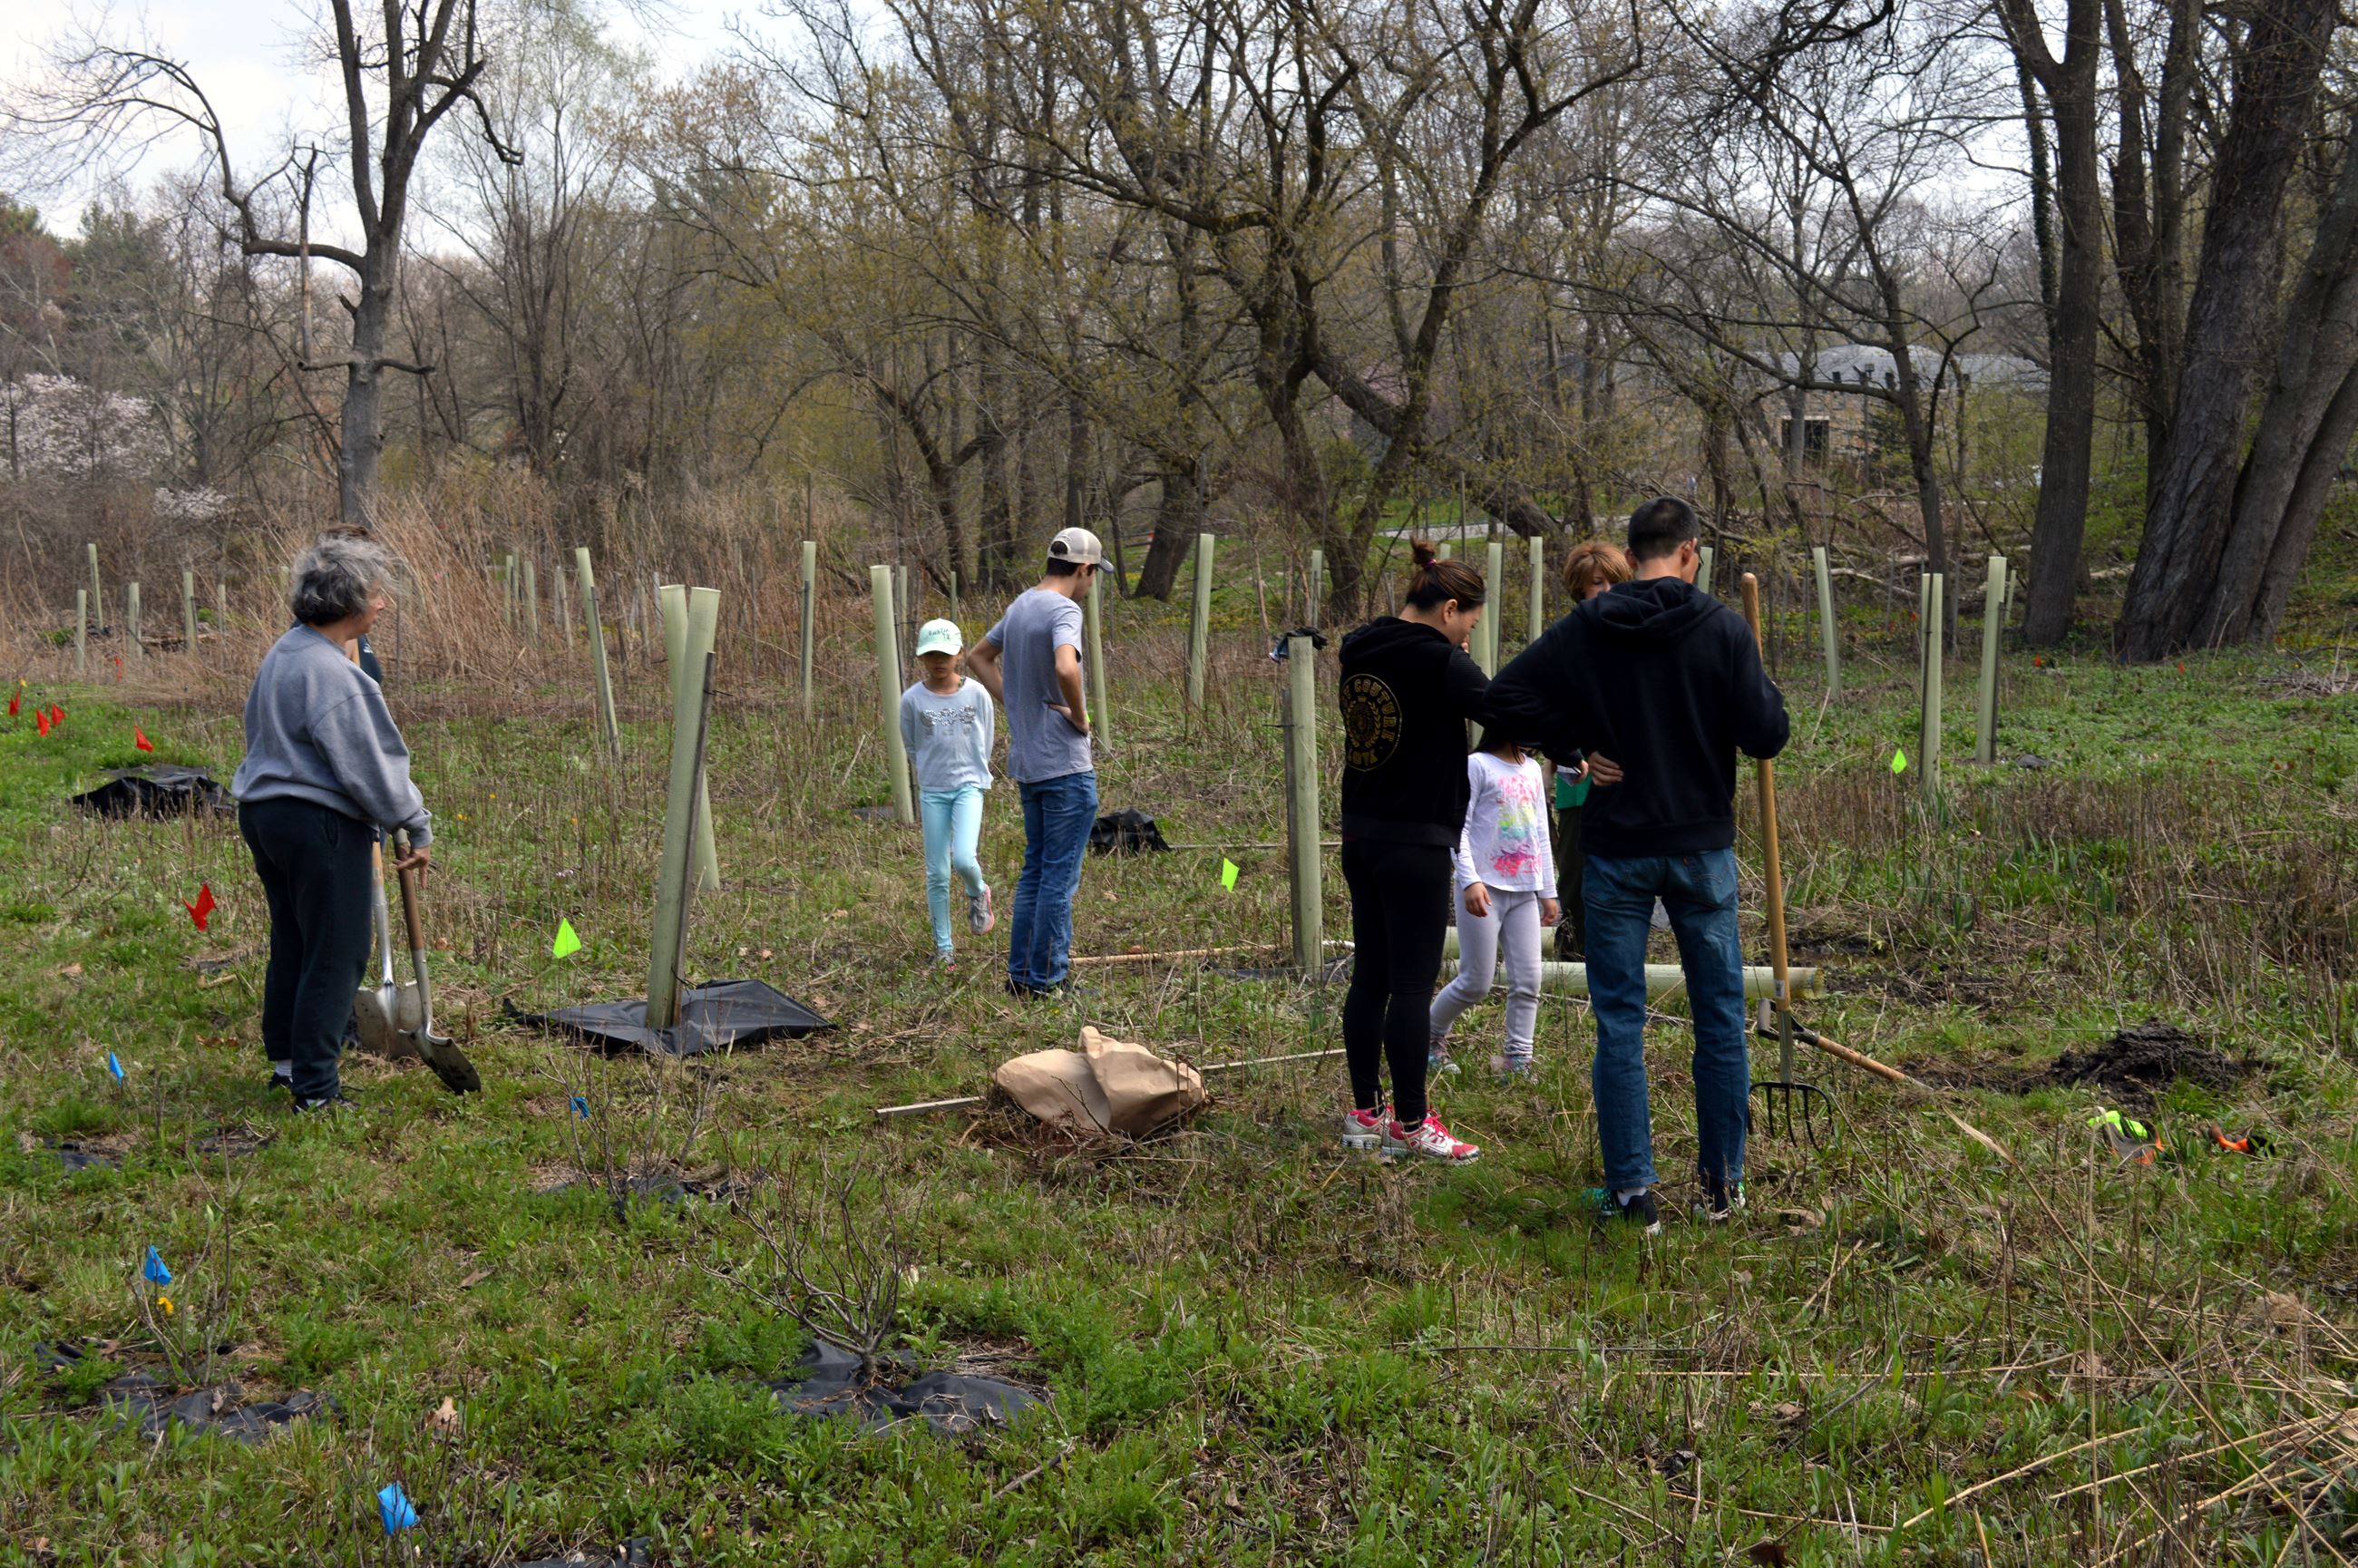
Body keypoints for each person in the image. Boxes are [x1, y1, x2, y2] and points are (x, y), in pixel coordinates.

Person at [1487, 497, 1789, 1231]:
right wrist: (1750, 680)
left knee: (1619, 1020)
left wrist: (1572, 744)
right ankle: (1723, 1188)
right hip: (1700, 850)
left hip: (1617, 852)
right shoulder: (1721, 627)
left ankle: (1634, 1194)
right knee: (1719, 1016)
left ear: (1635, 554)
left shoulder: (1589, 627)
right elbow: (1767, 736)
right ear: (1688, 553)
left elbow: (1502, 695)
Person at [229, 535, 434, 1112]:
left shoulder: (286, 652)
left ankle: (289, 1066)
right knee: (339, 953)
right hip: (316, 823)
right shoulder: (334, 675)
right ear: (349, 604)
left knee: (295, 941)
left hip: (266, 816)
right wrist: (413, 822)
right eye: (377, 594)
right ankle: (317, 1091)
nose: (384, 604)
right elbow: (370, 765)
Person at [1335, 541, 1492, 1163]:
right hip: (1417, 841)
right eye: (1469, 624)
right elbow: (1504, 712)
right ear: (1450, 607)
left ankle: (1363, 1113)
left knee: (1370, 976)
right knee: (1411, 985)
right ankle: (1410, 1120)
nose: (1467, 636)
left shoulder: (1360, 646)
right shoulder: (1441, 662)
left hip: (1361, 833)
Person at [966, 528, 1101, 998]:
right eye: (1092, 577)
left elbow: (978, 658)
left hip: (1028, 763)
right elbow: (1067, 667)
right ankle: (1047, 981)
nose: (1090, 586)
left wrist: (1017, 701)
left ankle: (1022, 978)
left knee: (1036, 872)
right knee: (1059, 878)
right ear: (1082, 569)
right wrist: (1081, 717)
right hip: (1065, 765)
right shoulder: (1065, 609)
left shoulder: (1021, 604)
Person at [1427, 732, 1559, 1083]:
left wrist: (1548, 889)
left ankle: (1518, 1059)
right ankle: (1427, 1036)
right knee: (1476, 981)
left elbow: (1540, 831)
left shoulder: (1532, 769)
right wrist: (1469, 880)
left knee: (1530, 980)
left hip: (1525, 892)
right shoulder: (1477, 766)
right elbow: (1460, 827)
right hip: (1484, 890)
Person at [900, 618, 997, 969]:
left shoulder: (976, 694)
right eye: (931, 655)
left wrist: (974, 771)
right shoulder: (912, 699)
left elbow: (986, 736)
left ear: (959, 653)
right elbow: (911, 743)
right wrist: (930, 772)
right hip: (933, 791)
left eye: (945, 654)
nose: (939, 661)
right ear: (922, 658)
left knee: (963, 859)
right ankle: (944, 948)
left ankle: (977, 891)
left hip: (969, 786)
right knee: (937, 873)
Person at [1551, 541, 1632, 960]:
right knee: (1578, 878)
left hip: (1629, 784)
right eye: (1596, 584)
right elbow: (1549, 708)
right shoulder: (1568, 639)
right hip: (1581, 784)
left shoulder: (1638, 634)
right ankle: (1572, 960)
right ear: (1579, 590)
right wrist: (1576, 751)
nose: (1605, 591)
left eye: (1614, 582)